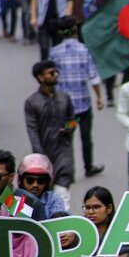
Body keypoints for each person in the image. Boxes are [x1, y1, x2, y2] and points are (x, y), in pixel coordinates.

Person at [48, 19, 104, 178]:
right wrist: (99, 97)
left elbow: (51, 79)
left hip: (65, 107)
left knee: (67, 138)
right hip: (83, 106)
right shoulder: (84, 50)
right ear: (75, 31)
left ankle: (68, 172)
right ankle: (88, 167)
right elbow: (93, 76)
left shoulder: (54, 52)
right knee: (86, 136)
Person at [23, 61, 76, 192]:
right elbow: (32, 130)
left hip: (64, 151)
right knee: (46, 192)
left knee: (62, 189)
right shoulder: (32, 102)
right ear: (40, 78)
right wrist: (39, 156)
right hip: (44, 153)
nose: (55, 75)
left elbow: (73, 119)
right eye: (51, 73)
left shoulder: (65, 97)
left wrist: (69, 127)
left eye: (56, 72)